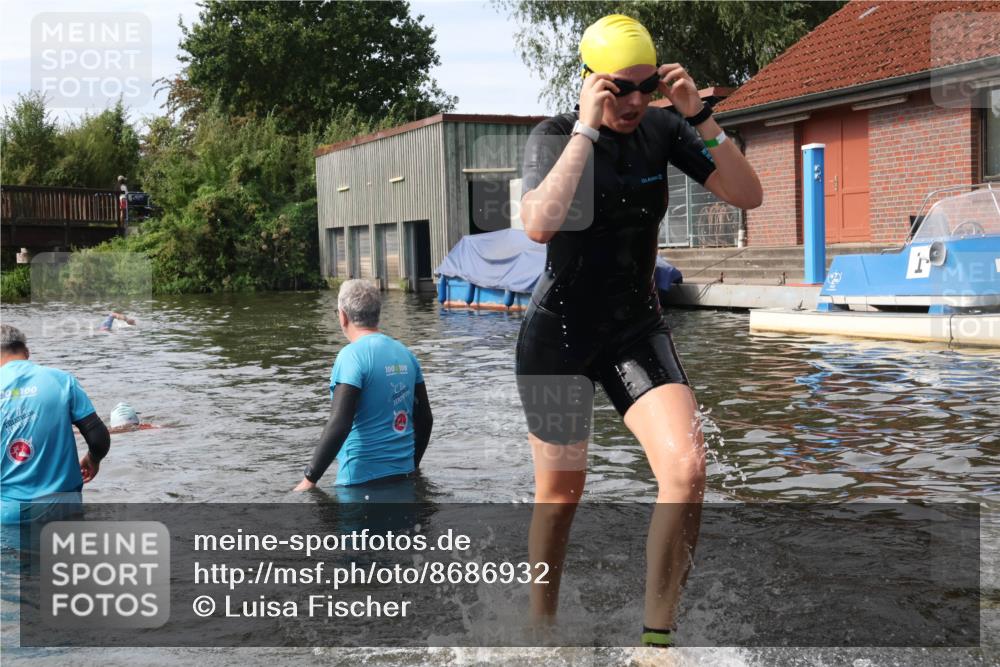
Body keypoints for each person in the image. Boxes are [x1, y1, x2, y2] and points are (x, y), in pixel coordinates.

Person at [515, 14, 762, 647]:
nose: (632, 102)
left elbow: (747, 193)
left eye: (645, 87)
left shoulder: (663, 128)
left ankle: (656, 644)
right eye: (618, 88)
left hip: (634, 329)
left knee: (686, 471)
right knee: (562, 493)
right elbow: (539, 226)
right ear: (590, 84)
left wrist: (699, 115)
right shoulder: (552, 136)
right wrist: (584, 131)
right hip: (558, 339)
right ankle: (540, 630)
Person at [294, 280, 433, 492]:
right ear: (377, 313)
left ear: (342, 315)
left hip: (359, 481)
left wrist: (309, 478)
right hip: (402, 477)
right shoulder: (405, 354)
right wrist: (412, 466)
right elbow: (425, 419)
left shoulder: (351, 356)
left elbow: (339, 423)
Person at [0, 324, 111, 524]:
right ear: (26, 352)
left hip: (9, 510)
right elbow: (99, 438)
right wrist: (93, 459)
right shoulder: (61, 380)